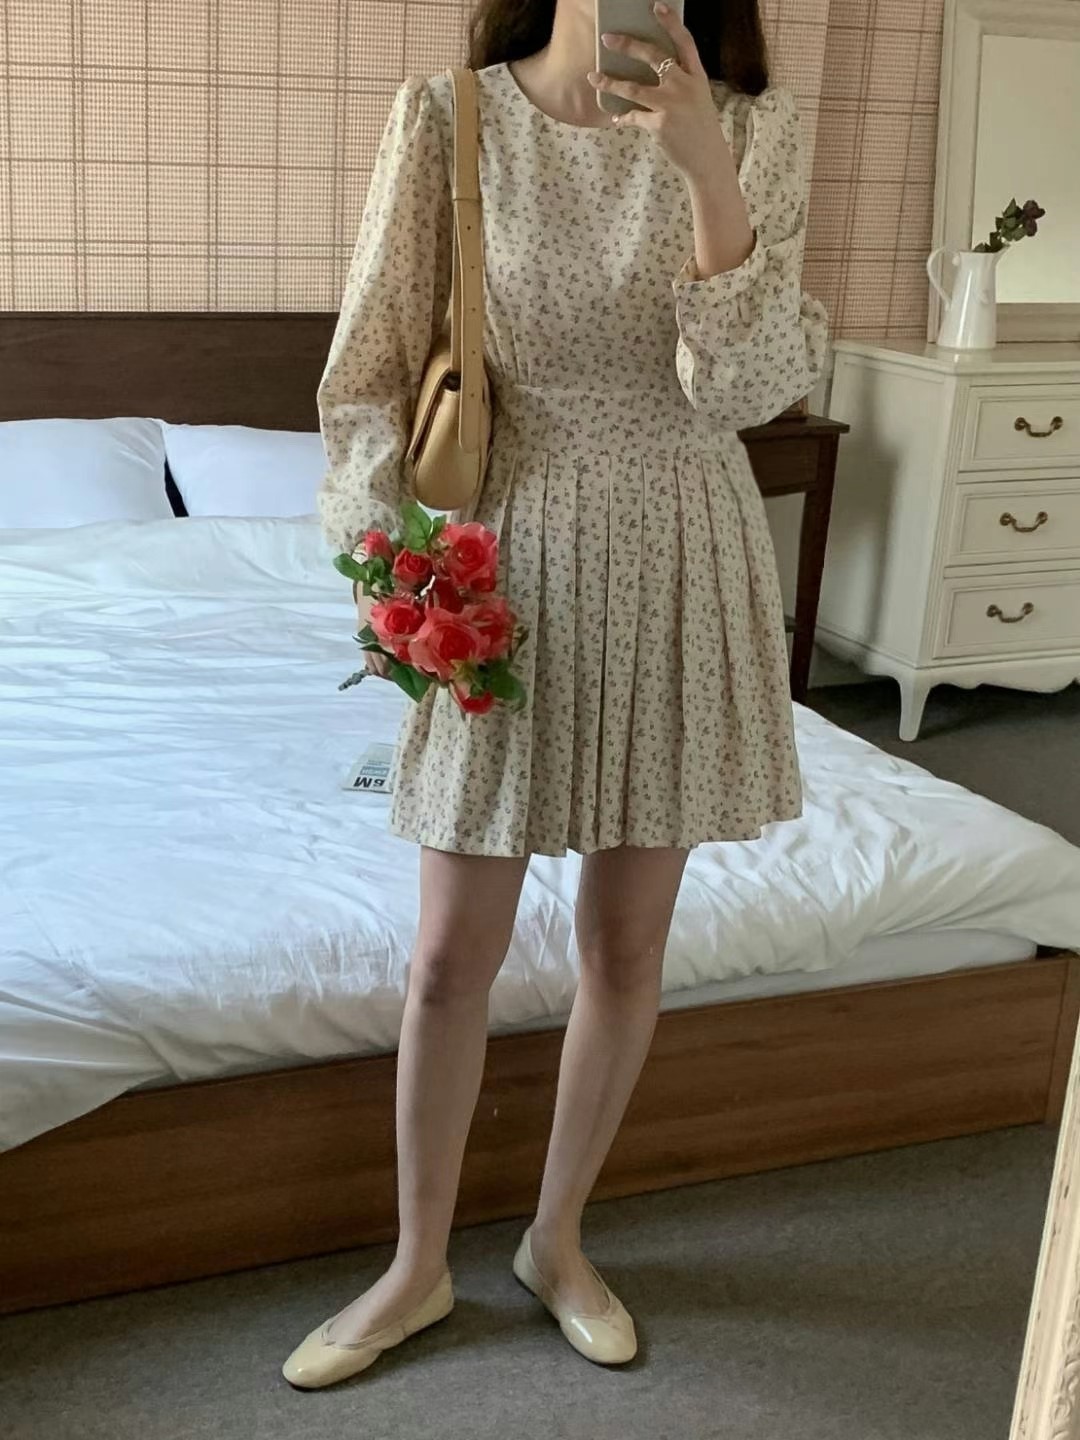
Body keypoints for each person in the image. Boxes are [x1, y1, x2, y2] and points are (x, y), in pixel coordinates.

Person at [283, 0, 828, 1389]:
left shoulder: (756, 130)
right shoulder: (451, 119)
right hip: (500, 562)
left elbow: (751, 391)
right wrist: (388, 567)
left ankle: (557, 1240)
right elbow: (366, 380)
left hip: (686, 558)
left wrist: (707, 170)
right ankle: (415, 1266)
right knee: (446, 959)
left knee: (627, 950)